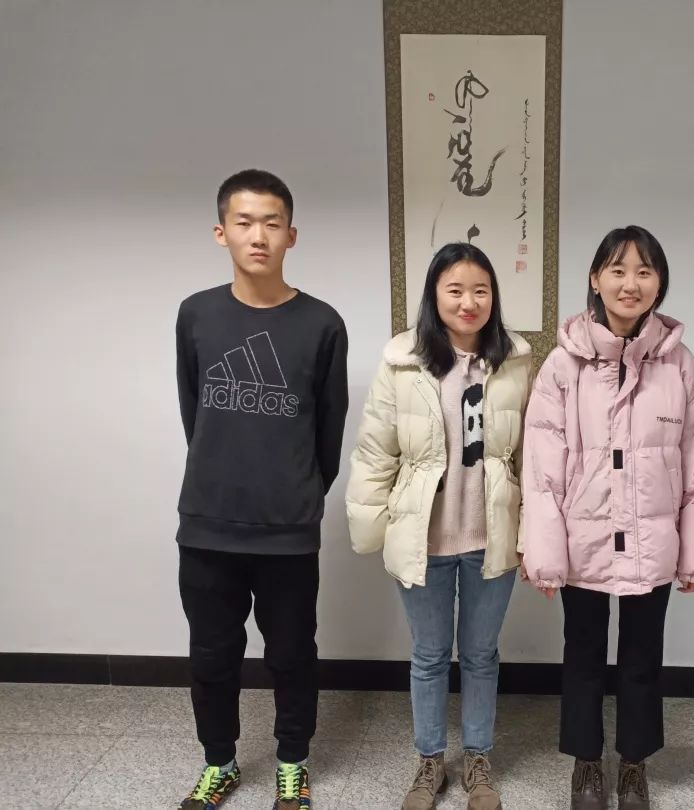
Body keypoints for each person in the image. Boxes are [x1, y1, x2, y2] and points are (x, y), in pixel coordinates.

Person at [522, 225, 694, 810]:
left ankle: (633, 763)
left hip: (652, 535)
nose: (630, 283)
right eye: (617, 269)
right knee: (582, 654)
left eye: (644, 271)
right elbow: (542, 466)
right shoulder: (563, 364)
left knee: (642, 657)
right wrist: (545, 553)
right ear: (595, 279)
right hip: (584, 535)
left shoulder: (680, 365)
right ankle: (587, 762)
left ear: (659, 283)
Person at [174, 169, 349, 809]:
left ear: (291, 235)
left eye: (272, 223)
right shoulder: (196, 314)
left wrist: (298, 494)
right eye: (244, 222)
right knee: (211, 655)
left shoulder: (322, 324)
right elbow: (195, 412)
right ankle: (218, 762)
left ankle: (292, 763)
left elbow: (328, 430)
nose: (258, 236)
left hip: (288, 531)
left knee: (292, 654)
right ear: (221, 232)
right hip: (208, 523)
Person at [346, 242, 532, 810]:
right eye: (455, 290)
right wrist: (370, 523)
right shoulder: (403, 362)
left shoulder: (516, 363)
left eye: (480, 290)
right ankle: (430, 760)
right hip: (422, 536)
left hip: (492, 535)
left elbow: (534, 454)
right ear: (434, 295)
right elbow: (376, 449)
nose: (468, 302)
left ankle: (477, 758)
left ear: (493, 297)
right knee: (428, 655)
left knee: (480, 655)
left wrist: (536, 529)